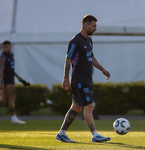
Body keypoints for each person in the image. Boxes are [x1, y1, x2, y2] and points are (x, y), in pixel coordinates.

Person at [56, 15, 111, 143]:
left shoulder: (89, 41)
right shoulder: (75, 41)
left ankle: (61, 133)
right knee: (89, 105)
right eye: (94, 26)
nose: (95, 29)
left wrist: (102, 69)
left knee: (76, 107)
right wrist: (65, 78)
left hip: (86, 79)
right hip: (79, 79)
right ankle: (95, 135)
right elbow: (68, 59)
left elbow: (91, 57)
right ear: (86, 26)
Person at [0, 41, 26, 124]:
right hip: (7, 80)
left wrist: (18, 77)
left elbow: (11, 69)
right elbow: (1, 71)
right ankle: (14, 118)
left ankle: (14, 118)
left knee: (2, 99)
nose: (5, 49)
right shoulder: (2, 57)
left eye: (6, 47)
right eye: (3, 47)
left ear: (10, 47)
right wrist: (2, 82)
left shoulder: (11, 55)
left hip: (11, 78)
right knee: (12, 98)